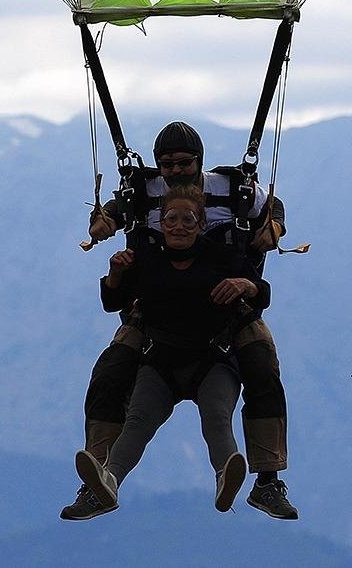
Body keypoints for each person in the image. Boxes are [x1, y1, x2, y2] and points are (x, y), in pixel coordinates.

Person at [61, 122, 299, 521]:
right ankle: (98, 477)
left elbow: (272, 206)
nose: (174, 170)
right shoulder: (142, 192)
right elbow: (117, 211)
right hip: (154, 309)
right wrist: (102, 224)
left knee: (261, 364)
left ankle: (268, 481)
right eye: (166, 164)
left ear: (199, 161)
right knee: (111, 371)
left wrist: (272, 230)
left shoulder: (232, 188)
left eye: (183, 163)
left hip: (228, 311)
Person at [74, 185, 262, 515]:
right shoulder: (145, 260)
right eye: (171, 219)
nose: (179, 226)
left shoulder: (221, 258)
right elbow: (111, 302)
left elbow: (260, 293)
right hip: (160, 362)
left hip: (212, 360)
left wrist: (244, 285)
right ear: (160, 223)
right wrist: (116, 273)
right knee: (137, 423)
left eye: (188, 220)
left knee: (217, 419)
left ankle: (226, 475)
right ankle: (109, 480)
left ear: (201, 223)